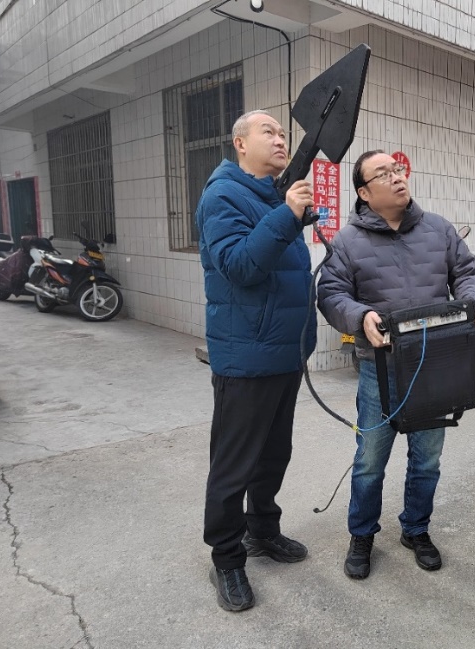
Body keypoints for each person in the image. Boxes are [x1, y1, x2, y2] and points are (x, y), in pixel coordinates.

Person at [317, 150, 475, 580]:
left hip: (435, 366)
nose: (397, 177)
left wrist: (471, 303)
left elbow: (469, 274)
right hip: (380, 369)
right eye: (384, 174)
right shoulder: (348, 241)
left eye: (398, 169)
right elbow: (331, 294)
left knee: (427, 458)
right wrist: (360, 316)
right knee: (369, 461)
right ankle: (362, 535)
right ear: (364, 192)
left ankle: (416, 529)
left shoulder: (438, 229)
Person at [196, 110, 316, 611]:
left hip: (285, 352)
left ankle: (262, 529)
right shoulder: (223, 195)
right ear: (240, 143)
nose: (281, 138)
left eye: (283, 132)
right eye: (269, 131)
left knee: (273, 455)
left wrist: (287, 212)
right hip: (245, 356)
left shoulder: (271, 196)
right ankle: (226, 558)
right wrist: (287, 216)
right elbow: (240, 266)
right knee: (234, 466)